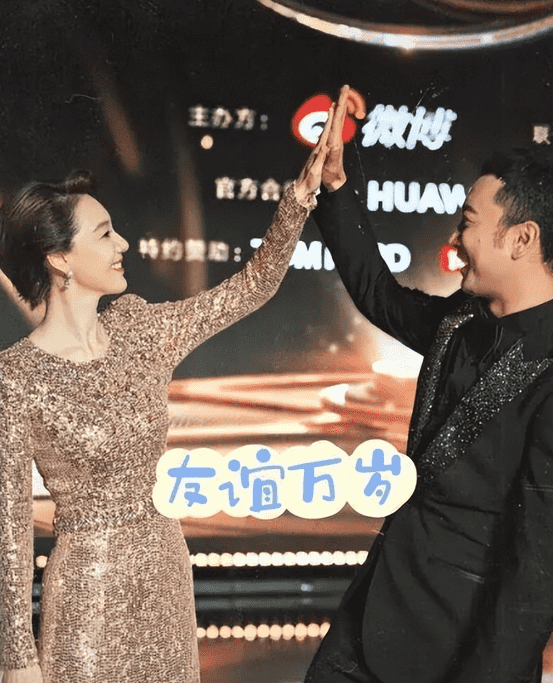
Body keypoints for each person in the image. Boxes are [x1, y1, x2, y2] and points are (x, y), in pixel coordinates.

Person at [0, 105, 335, 683]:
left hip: (164, 572)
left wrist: (300, 197)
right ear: (60, 258)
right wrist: (17, 658)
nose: (123, 243)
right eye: (105, 233)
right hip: (85, 593)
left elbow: (251, 287)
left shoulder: (140, 329)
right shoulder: (16, 376)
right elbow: (8, 529)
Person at [304, 86, 553, 683]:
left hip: (457, 647)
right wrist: (335, 186)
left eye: (467, 224)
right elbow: (379, 294)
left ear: (522, 239)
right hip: (371, 616)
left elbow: (536, 569)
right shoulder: (459, 322)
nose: (454, 242)